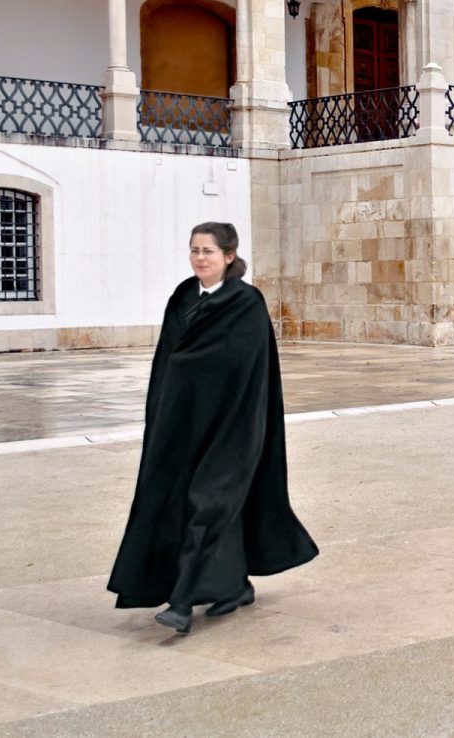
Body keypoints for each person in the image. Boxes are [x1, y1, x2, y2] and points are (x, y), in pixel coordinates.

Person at [108, 222, 317, 634]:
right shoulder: (184, 297)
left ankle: (182, 602)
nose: (199, 258)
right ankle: (233, 584)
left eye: (207, 251)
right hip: (184, 424)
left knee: (211, 502)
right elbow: (169, 360)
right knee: (184, 502)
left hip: (233, 424)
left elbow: (244, 368)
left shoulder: (245, 302)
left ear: (228, 255)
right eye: (194, 250)